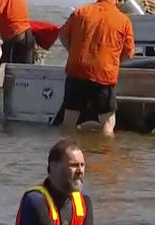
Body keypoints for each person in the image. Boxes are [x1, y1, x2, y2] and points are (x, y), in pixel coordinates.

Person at [15, 139, 102, 225]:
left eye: (82, 165)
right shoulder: (35, 200)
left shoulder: (84, 201)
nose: (80, 171)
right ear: (53, 168)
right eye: (73, 165)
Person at [57, 0, 135, 136]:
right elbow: (128, 52)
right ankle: (104, 153)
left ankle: (67, 150)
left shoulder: (80, 12)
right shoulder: (123, 20)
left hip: (76, 70)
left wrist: (73, 52)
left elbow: (62, 35)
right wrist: (114, 61)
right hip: (103, 73)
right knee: (107, 122)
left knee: (69, 119)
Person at [0, 0, 35, 64]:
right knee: (26, 71)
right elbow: (10, 16)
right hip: (27, 36)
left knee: (7, 71)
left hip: (15, 40)